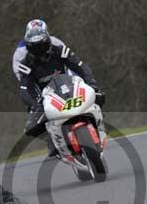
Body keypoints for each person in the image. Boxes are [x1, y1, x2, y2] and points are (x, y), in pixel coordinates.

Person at [13, 19, 104, 155]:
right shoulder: (22, 60)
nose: (40, 51)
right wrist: (35, 105)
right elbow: (25, 87)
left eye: (42, 45)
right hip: (42, 90)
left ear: (48, 39)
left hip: (65, 81)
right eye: (35, 47)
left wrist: (91, 83)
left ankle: (95, 121)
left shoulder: (59, 48)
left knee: (99, 95)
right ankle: (51, 140)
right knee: (31, 126)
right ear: (28, 46)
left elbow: (79, 65)